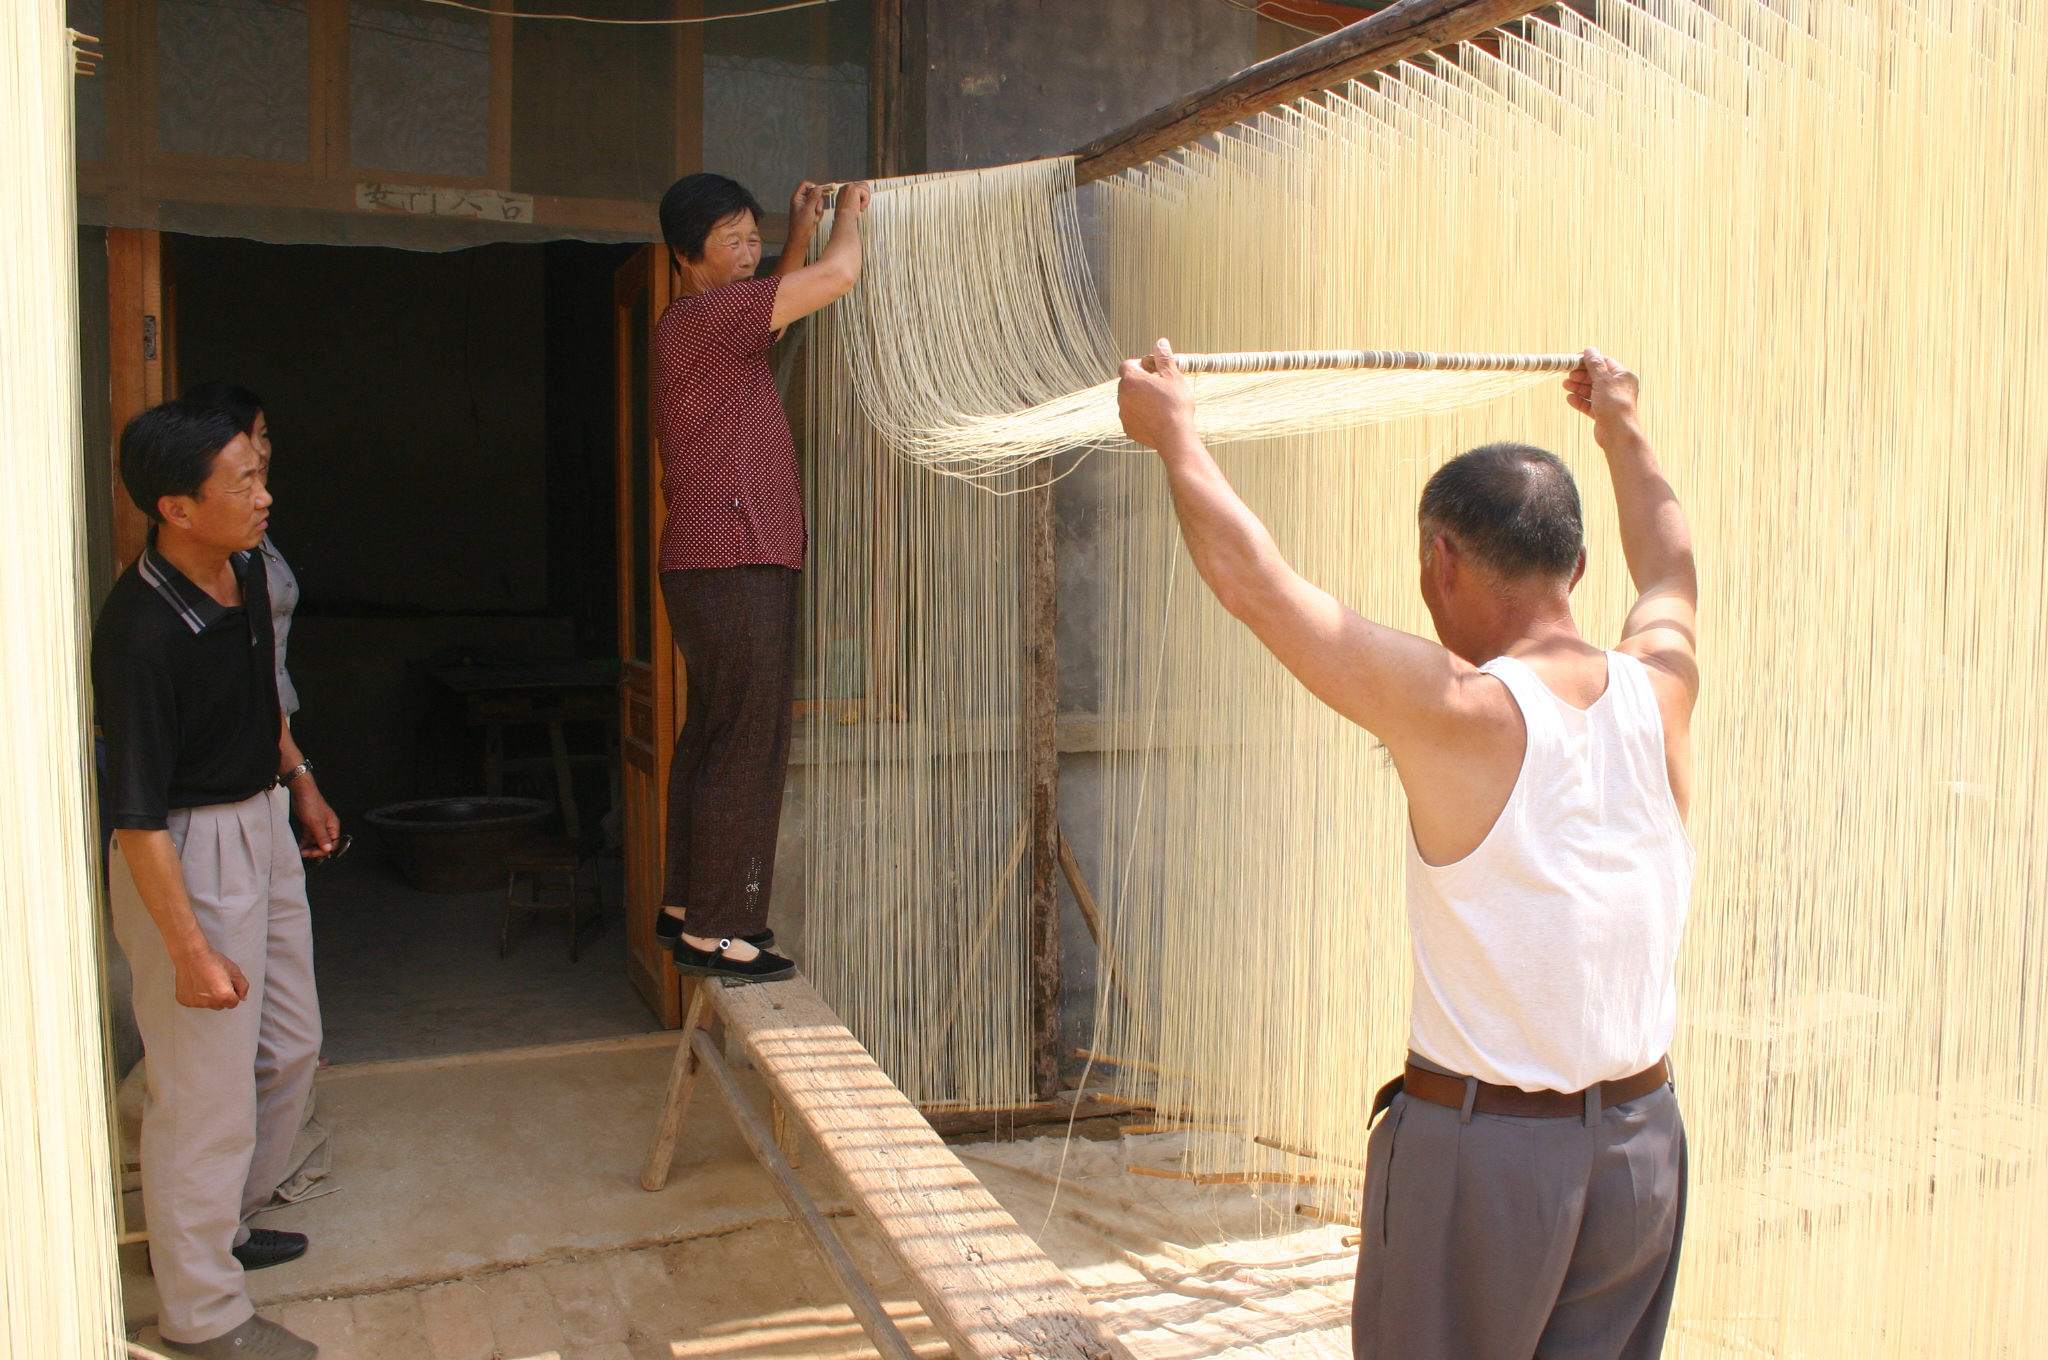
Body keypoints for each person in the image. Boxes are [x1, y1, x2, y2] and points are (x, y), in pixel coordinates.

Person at [1116, 342, 1697, 1360]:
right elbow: (1670, 563)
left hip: (1487, 1162)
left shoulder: (1460, 710)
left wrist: (1173, 435)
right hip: (1641, 1149)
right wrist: (1621, 428)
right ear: (1575, 566)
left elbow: (1255, 585)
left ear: (1440, 559)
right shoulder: (1661, 684)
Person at [95, 400, 328, 1360]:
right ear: (176, 508)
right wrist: (188, 951)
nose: (264, 495)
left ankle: (216, 1232)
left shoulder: (242, 573)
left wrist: (299, 780)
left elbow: (262, 697)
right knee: (202, 1090)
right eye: (242, 481)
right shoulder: (142, 634)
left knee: (292, 1045)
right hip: (186, 851)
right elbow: (136, 818)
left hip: (262, 823)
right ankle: (202, 1318)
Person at [649, 171, 871, 982]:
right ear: (686, 255)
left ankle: (685, 907)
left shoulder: (702, 321)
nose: (747, 254)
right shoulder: (712, 315)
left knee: (713, 738)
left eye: (752, 237)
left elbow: (771, 300)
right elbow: (840, 279)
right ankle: (723, 925)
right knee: (750, 743)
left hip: (711, 563)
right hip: (740, 556)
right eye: (731, 243)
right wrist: (846, 219)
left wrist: (795, 232)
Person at [183, 380, 341, 861]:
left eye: (264, 433)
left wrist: (297, 775)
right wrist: (298, 776)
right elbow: (241, 671)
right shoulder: (215, 548)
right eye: (245, 437)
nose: (259, 450)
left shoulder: (255, 530)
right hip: (241, 739)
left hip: (272, 727)